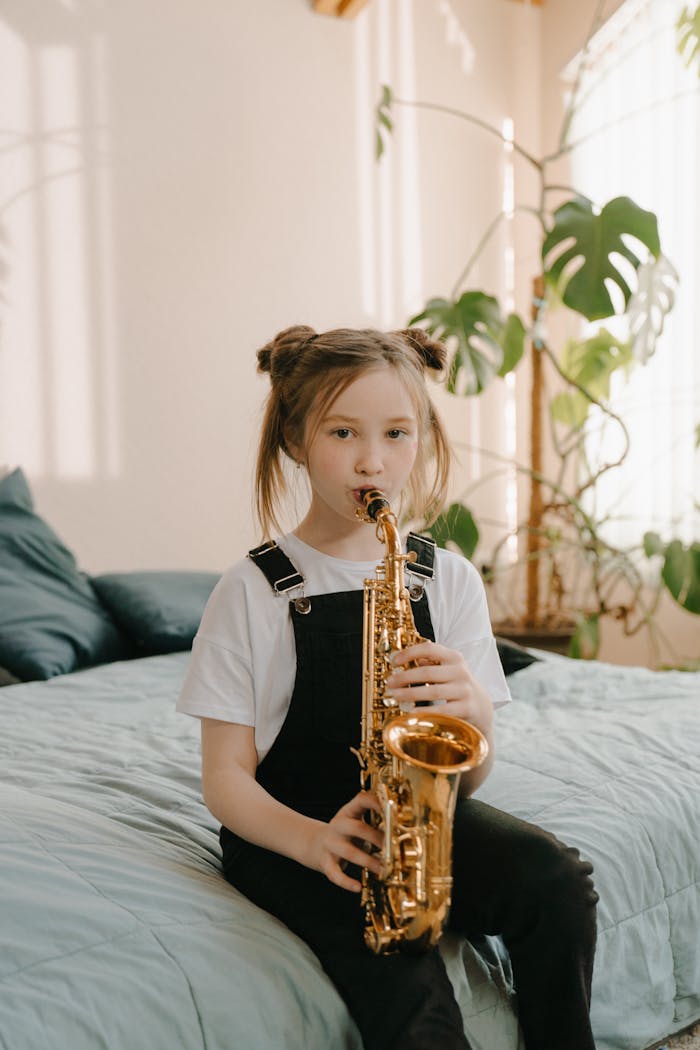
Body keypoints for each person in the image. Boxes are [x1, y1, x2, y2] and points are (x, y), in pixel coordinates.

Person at [177, 325, 599, 1050]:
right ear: (295, 439)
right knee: (411, 997)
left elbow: (470, 775)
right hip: (286, 830)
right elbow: (224, 779)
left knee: (557, 882)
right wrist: (314, 843)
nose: (374, 461)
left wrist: (472, 718)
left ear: (422, 439)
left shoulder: (448, 578)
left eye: (397, 434)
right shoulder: (252, 589)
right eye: (344, 432)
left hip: (412, 817)